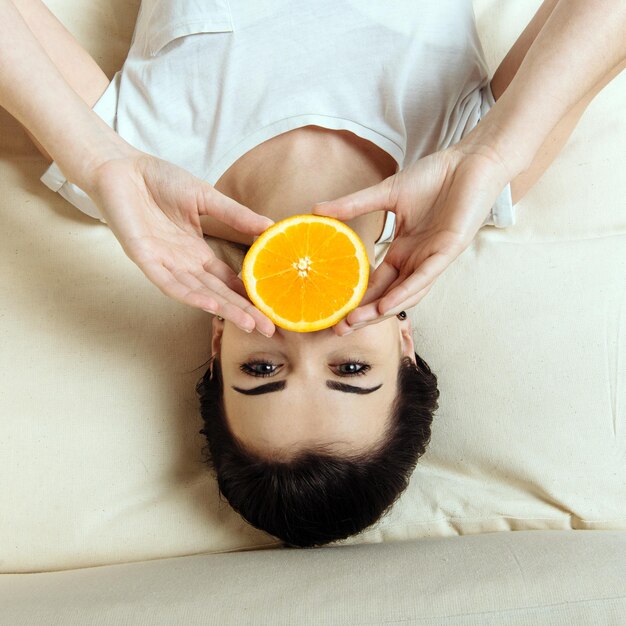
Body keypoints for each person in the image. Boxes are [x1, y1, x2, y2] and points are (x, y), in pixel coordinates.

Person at [2, 0, 624, 548]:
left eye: (262, 370)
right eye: (350, 369)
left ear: (218, 343)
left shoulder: (131, 186)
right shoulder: (468, 183)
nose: (304, 339)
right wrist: (492, 150)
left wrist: (94, 154)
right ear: (403, 343)